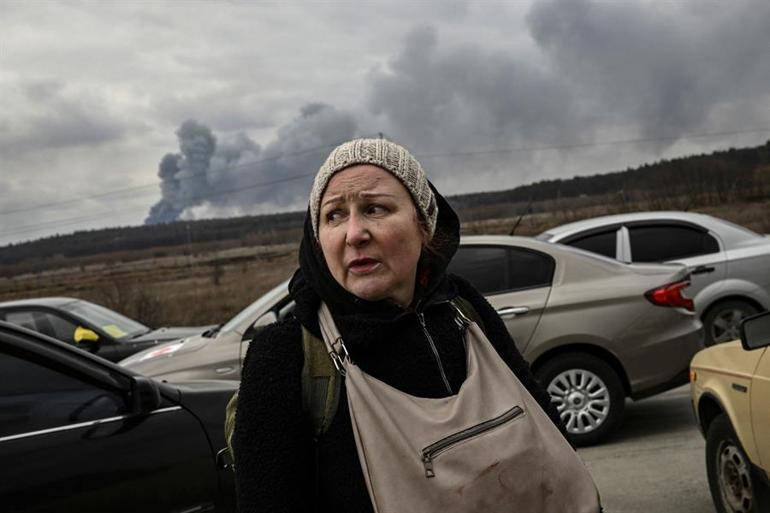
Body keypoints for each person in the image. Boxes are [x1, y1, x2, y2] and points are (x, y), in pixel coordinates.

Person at [233, 138, 567, 512]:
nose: (354, 233)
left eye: (374, 208)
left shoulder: (462, 309)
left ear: (424, 223)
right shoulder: (287, 353)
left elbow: (548, 434)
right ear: (317, 239)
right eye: (334, 215)